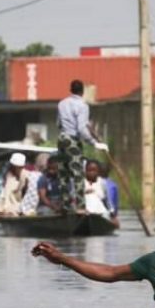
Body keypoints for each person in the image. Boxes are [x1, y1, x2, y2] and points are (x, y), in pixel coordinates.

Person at [56, 79, 109, 211]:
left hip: (61, 138)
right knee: (78, 174)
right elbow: (81, 129)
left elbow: (58, 124)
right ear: (82, 91)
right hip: (72, 140)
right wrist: (94, 143)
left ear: (70, 89)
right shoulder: (83, 105)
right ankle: (80, 206)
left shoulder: (61, 103)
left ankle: (65, 205)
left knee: (63, 173)